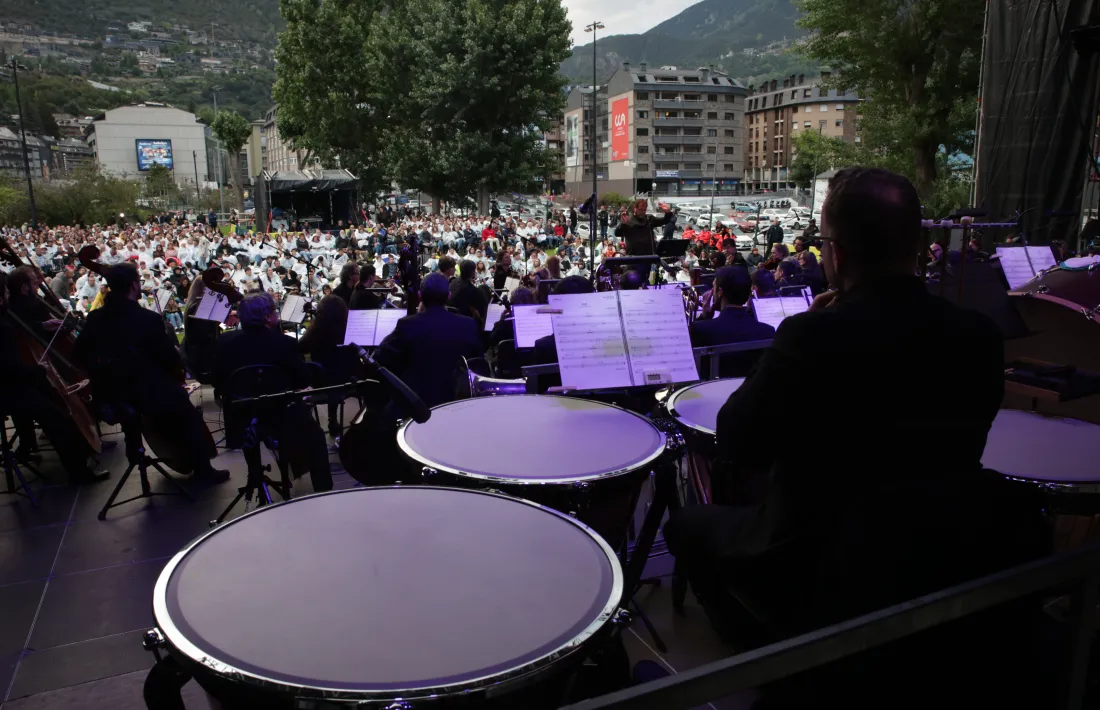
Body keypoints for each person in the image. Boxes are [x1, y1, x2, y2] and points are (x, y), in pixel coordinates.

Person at [664, 168, 1047, 707]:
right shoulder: (978, 337)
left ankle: (776, 660)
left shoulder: (811, 335)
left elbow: (738, 442)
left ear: (836, 256)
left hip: (821, 558)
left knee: (687, 523)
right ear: (918, 246)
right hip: (938, 548)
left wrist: (790, 343)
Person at [73, 263, 229, 483]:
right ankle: (203, 470)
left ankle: (135, 446)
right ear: (133, 285)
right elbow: (170, 360)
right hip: (145, 394)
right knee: (189, 413)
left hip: (111, 396)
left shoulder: (96, 318)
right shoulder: (147, 319)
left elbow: (79, 354)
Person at [214, 292, 333, 492]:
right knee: (317, 438)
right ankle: (324, 491)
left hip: (241, 417)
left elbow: (218, 380)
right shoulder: (284, 343)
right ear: (268, 317)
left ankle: (255, 474)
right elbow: (302, 379)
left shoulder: (225, 342)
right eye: (274, 311)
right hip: (281, 416)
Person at [0, 272, 109, 485]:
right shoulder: (3, 327)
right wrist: (38, 371)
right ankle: (78, 473)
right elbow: (10, 369)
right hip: (12, 390)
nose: (7, 295)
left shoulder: (6, 320)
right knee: (60, 419)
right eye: (4, 291)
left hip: (13, 384)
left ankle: (33, 446)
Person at [374, 273, 484, 409]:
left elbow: (381, 356)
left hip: (418, 405)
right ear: (448, 296)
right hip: (459, 402)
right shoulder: (469, 325)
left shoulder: (408, 324)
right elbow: (479, 362)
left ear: (420, 296)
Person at [690, 265, 775, 377]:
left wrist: (704, 317)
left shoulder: (701, 329)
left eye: (714, 287)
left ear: (720, 292)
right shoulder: (768, 331)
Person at [299, 295, 359, 438]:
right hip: (349, 380)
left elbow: (300, 347)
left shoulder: (315, 332)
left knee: (331, 378)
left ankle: (329, 420)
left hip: (321, 382)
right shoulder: (351, 330)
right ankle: (356, 419)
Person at [449, 259, 489, 324]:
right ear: (472, 272)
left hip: (451, 319)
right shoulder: (474, 291)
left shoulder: (452, 282)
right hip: (466, 322)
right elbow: (482, 313)